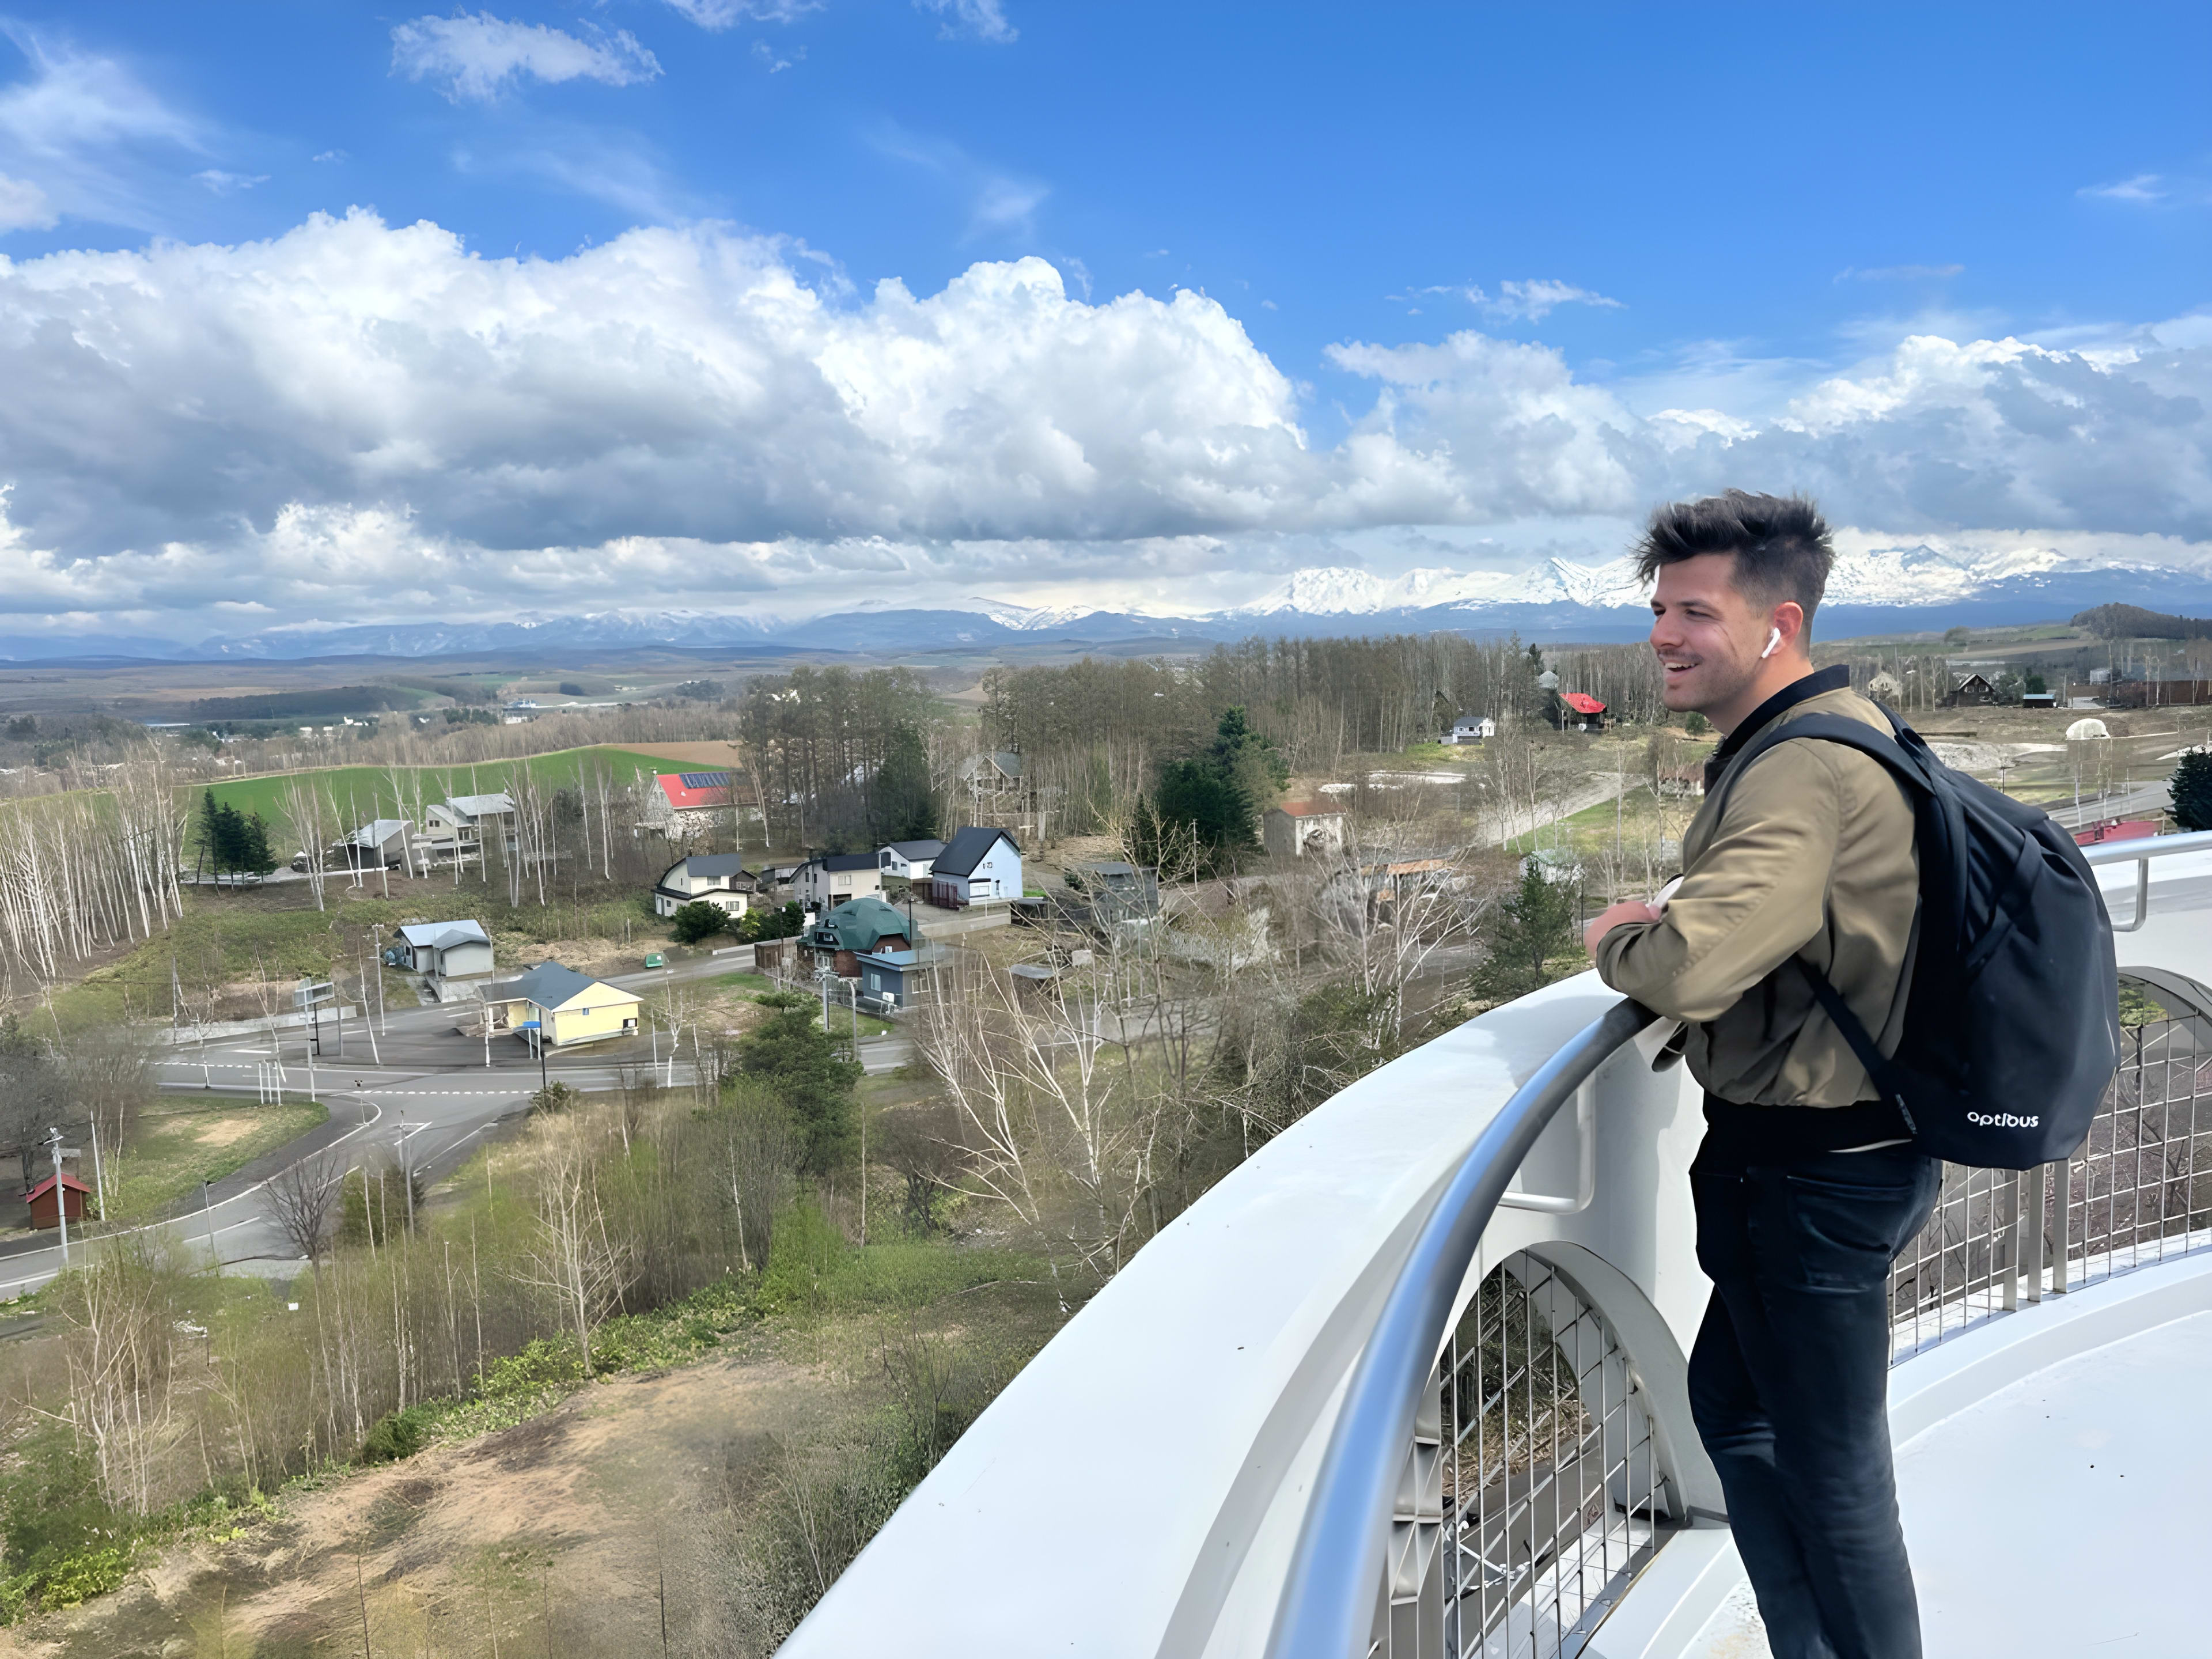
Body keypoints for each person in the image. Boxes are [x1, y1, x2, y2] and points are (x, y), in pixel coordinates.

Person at [1583, 491, 1938, 1659]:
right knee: (1739, 1414)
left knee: (1833, 1479)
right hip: (1828, 1161)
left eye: (1694, 610)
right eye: (1657, 608)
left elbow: (1690, 967)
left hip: (1815, 1176)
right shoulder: (1837, 725)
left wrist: (1616, 939)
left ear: (1778, 622)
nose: (1663, 636)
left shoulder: (1801, 771)